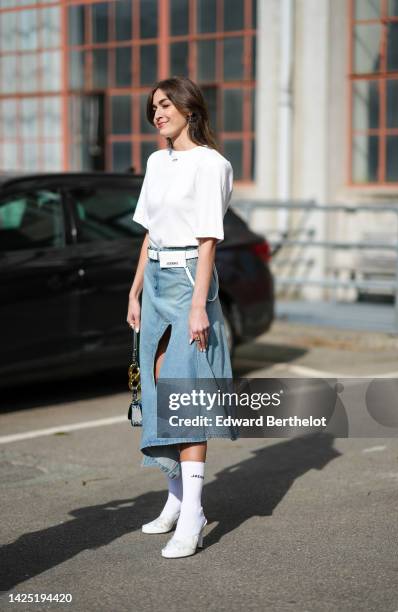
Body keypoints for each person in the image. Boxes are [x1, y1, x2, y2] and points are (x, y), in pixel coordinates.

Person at [127, 76, 237, 558]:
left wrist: (198, 307)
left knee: (185, 392)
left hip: (190, 278)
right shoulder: (157, 160)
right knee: (155, 388)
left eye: (165, 105)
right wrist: (134, 292)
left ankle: (192, 513)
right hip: (154, 280)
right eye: (153, 107)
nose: (157, 114)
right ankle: (175, 498)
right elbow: (150, 231)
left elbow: (208, 237)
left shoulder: (212, 164)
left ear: (189, 109)